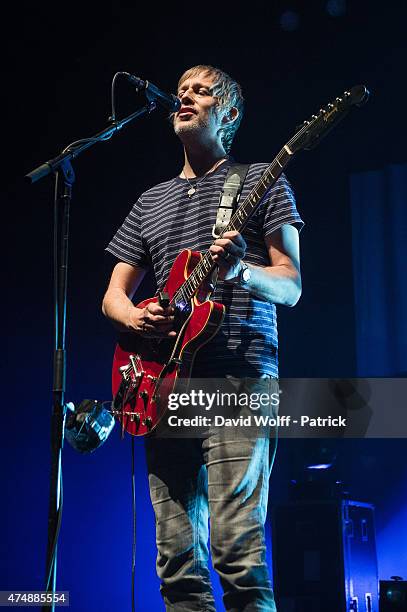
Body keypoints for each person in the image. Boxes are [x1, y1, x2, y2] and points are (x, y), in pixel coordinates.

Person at [102, 65, 303, 611]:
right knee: (175, 561)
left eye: (201, 91)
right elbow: (112, 297)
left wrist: (240, 272)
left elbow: (290, 286)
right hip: (162, 389)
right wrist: (135, 319)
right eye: (182, 90)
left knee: (236, 552)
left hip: (237, 380)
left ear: (230, 114)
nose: (184, 96)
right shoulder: (151, 200)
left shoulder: (262, 179)